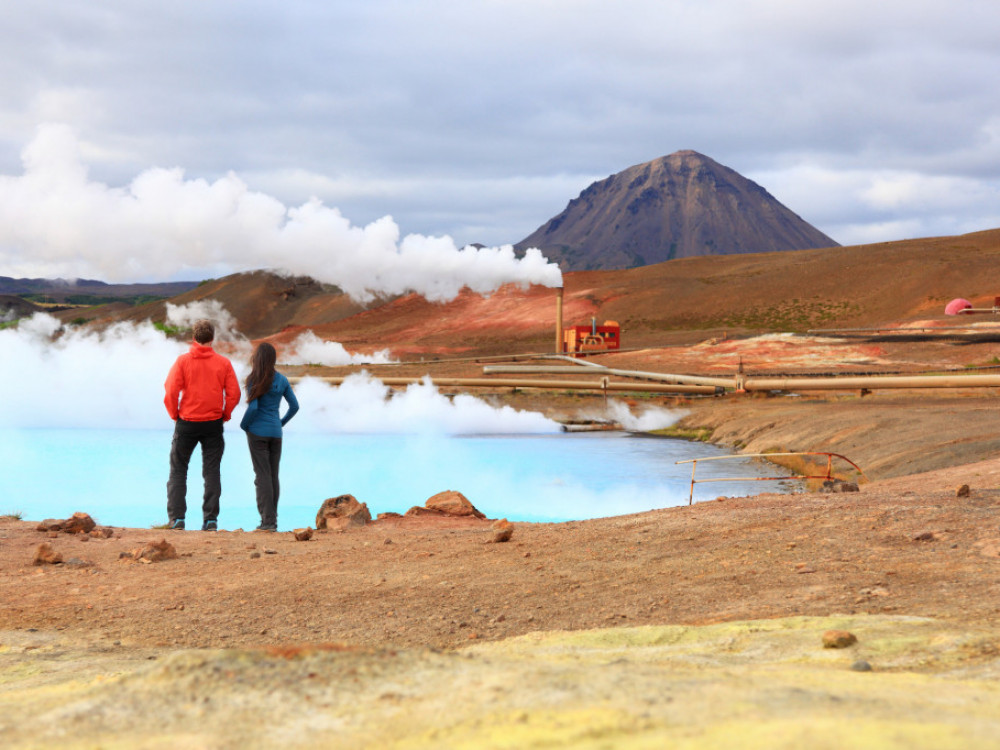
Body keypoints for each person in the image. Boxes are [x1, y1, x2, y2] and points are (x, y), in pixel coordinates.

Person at [163, 319, 241, 531]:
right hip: (213, 424)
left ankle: (177, 519)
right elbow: (234, 394)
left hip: (186, 422)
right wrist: (225, 414)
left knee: (178, 471)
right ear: (212, 338)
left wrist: (174, 414)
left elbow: (170, 390)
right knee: (212, 471)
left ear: (194, 337)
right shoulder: (223, 363)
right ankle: (210, 520)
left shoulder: (182, 361)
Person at [240, 342, 299, 531]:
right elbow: (294, 406)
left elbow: (253, 408)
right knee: (273, 475)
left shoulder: (254, 379)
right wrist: (280, 423)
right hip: (276, 433)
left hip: (257, 432)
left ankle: (267, 522)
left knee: (262, 476)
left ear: (257, 358)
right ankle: (272, 520)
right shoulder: (282, 380)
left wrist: (244, 425)